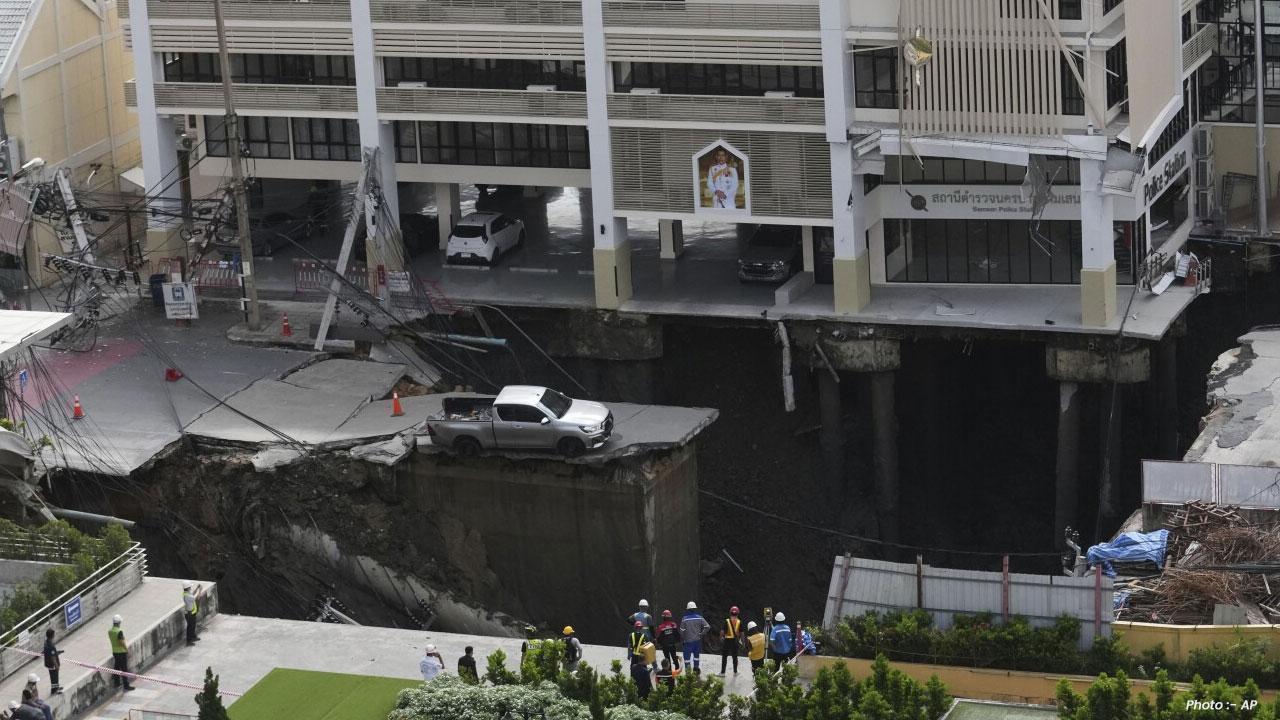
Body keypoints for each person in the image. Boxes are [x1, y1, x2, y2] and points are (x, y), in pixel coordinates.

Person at [678, 601, 710, 675]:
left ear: (688, 609)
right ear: (695, 609)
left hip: (688, 642)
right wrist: (701, 633)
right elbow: (707, 627)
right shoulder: (699, 617)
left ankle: (688, 674)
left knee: (687, 659)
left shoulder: (684, 619)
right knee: (696, 657)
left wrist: (683, 639)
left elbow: (681, 631)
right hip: (697, 641)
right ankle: (696, 671)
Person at [107, 615, 135, 692]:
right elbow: (121, 642)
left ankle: (117, 683)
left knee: (116, 668)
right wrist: (127, 650)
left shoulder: (110, 631)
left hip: (115, 652)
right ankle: (126, 685)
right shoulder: (119, 631)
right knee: (124, 669)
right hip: (121, 652)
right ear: (119, 622)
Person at [720, 606, 742, 675]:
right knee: (735, 657)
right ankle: (735, 672)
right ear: (738, 613)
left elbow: (722, 631)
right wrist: (742, 642)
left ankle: (723, 672)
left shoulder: (726, 621)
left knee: (724, 657)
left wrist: (721, 637)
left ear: (730, 613)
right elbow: (742, 633)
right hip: (735, 641)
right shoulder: (739, 622)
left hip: (727, 641)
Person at [41, 629, 61, 695]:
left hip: (48, 663)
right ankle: (55, 690)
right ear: (52, 635)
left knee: (53, 677)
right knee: (54, 677)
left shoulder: (46, 642)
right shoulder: (51, 645)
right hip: (52, 664)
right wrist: (56, 666)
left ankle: (56, 688)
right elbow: (53, 657)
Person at [182, 581, 202, 646]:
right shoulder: (187, 596)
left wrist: (197, 588)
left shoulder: (186, 593)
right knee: (190, 627)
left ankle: (193, 637)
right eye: (190, 587)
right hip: (189, 614)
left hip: (192, 613)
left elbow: (192, 594)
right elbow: (197, 597)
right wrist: (200, 590)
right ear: (187, 588)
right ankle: (189, 641)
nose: (190, 588)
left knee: (193, 626)